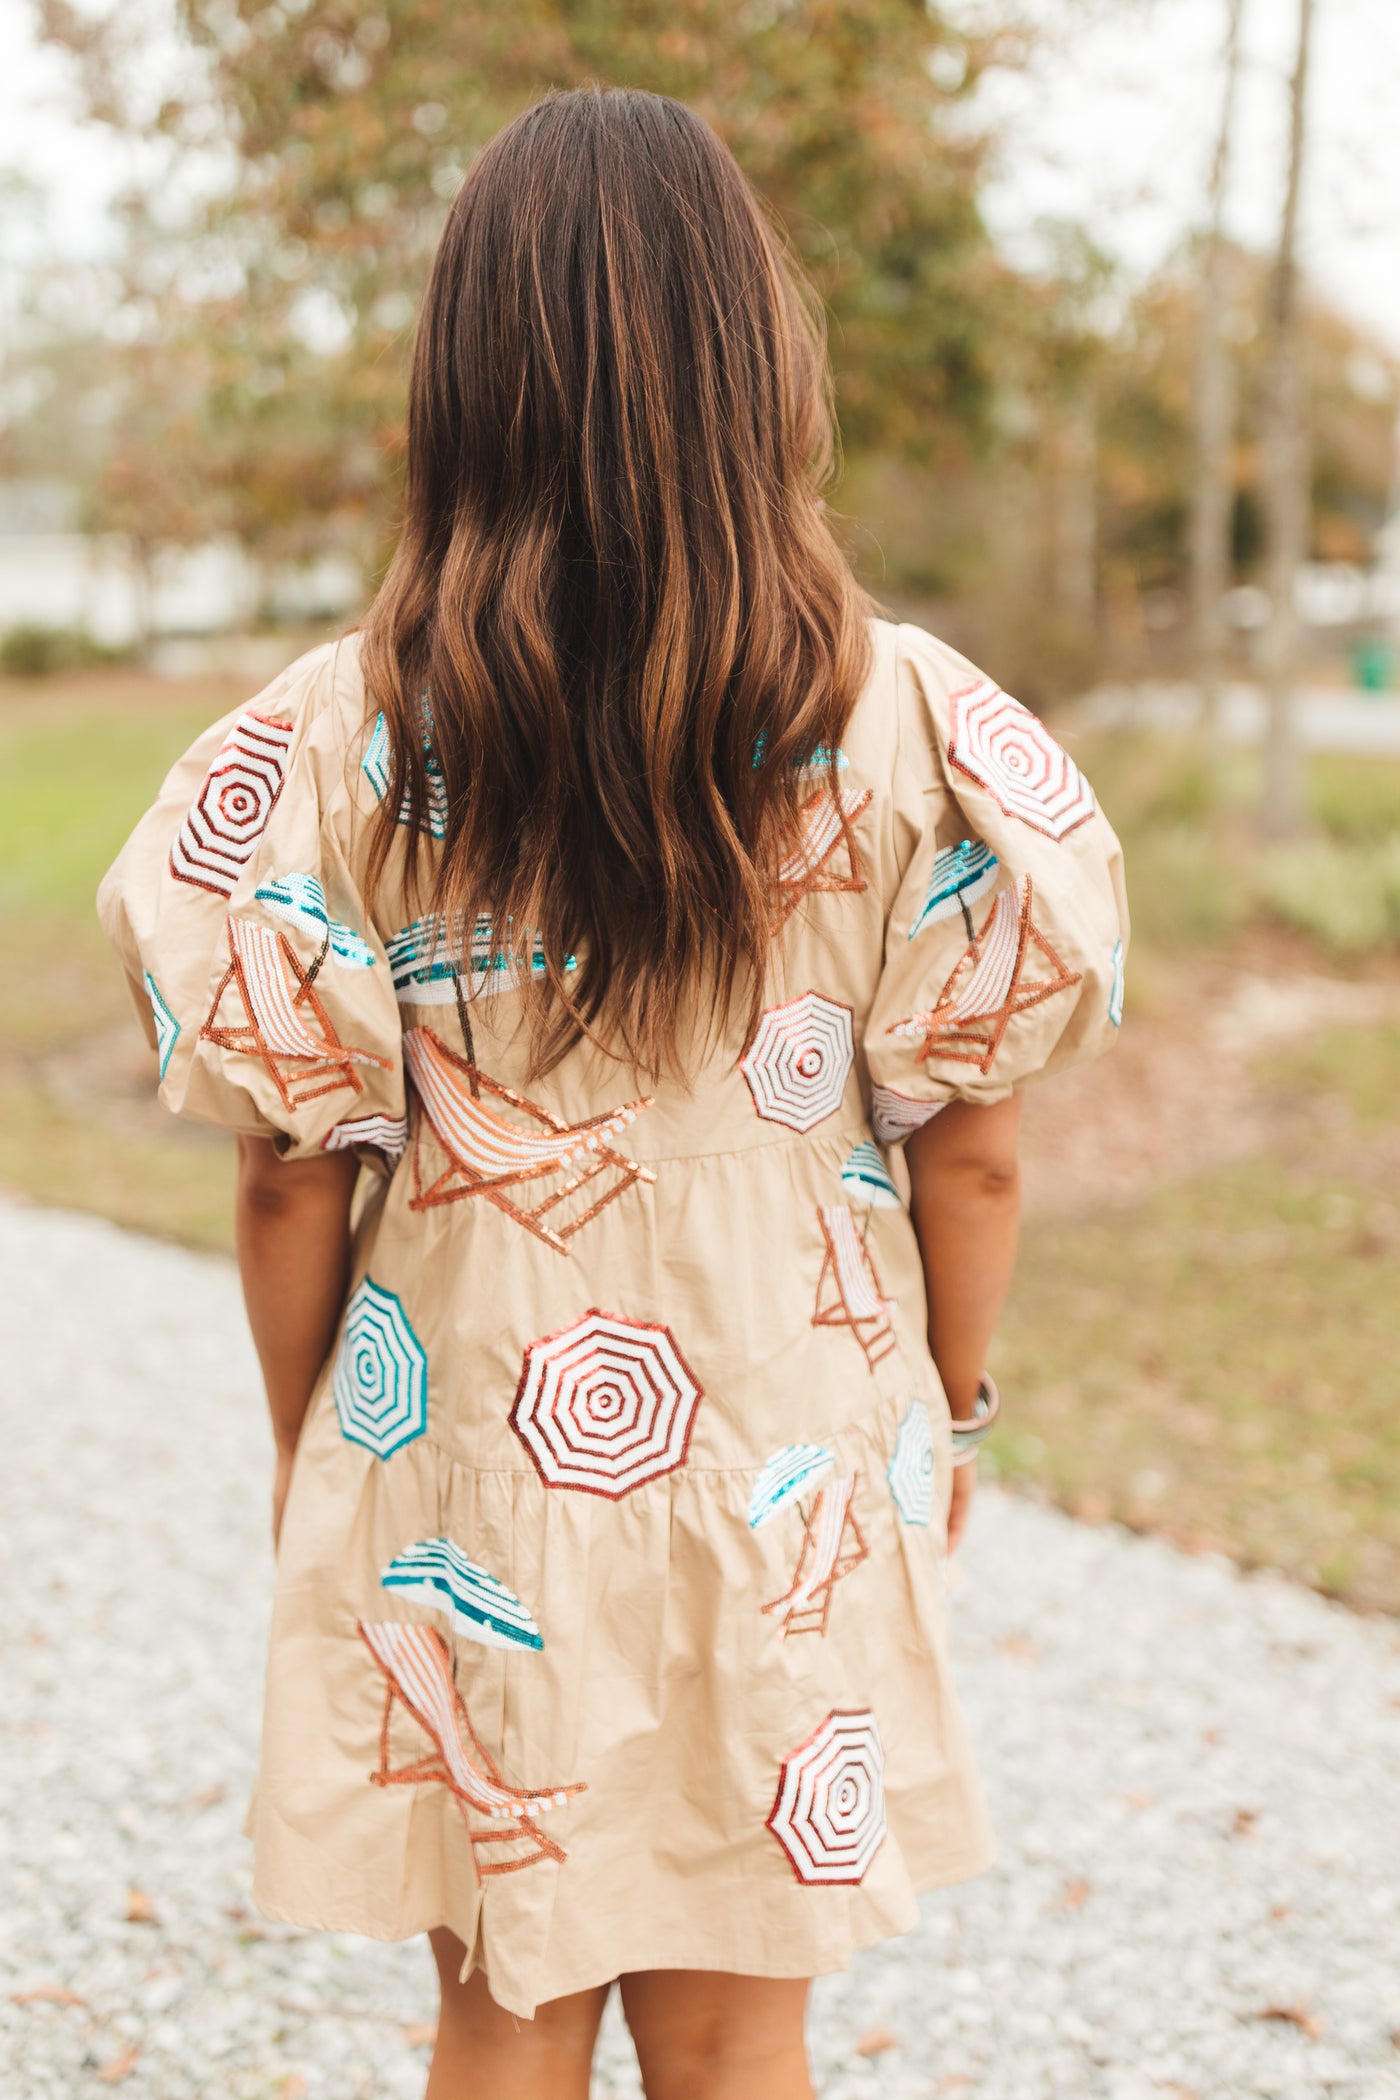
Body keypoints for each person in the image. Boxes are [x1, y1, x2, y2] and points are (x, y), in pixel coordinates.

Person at [99, 86, 1127, 2100]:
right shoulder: (907, 716)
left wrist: (328, 1447)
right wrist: (957, 1402)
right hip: (796, 1446)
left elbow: (287, 1185)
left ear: (459, 382)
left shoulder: (337, 738)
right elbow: (975, 1155)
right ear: (758, 366)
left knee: (501, 2000)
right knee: (747, 2025)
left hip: (466, 1449)